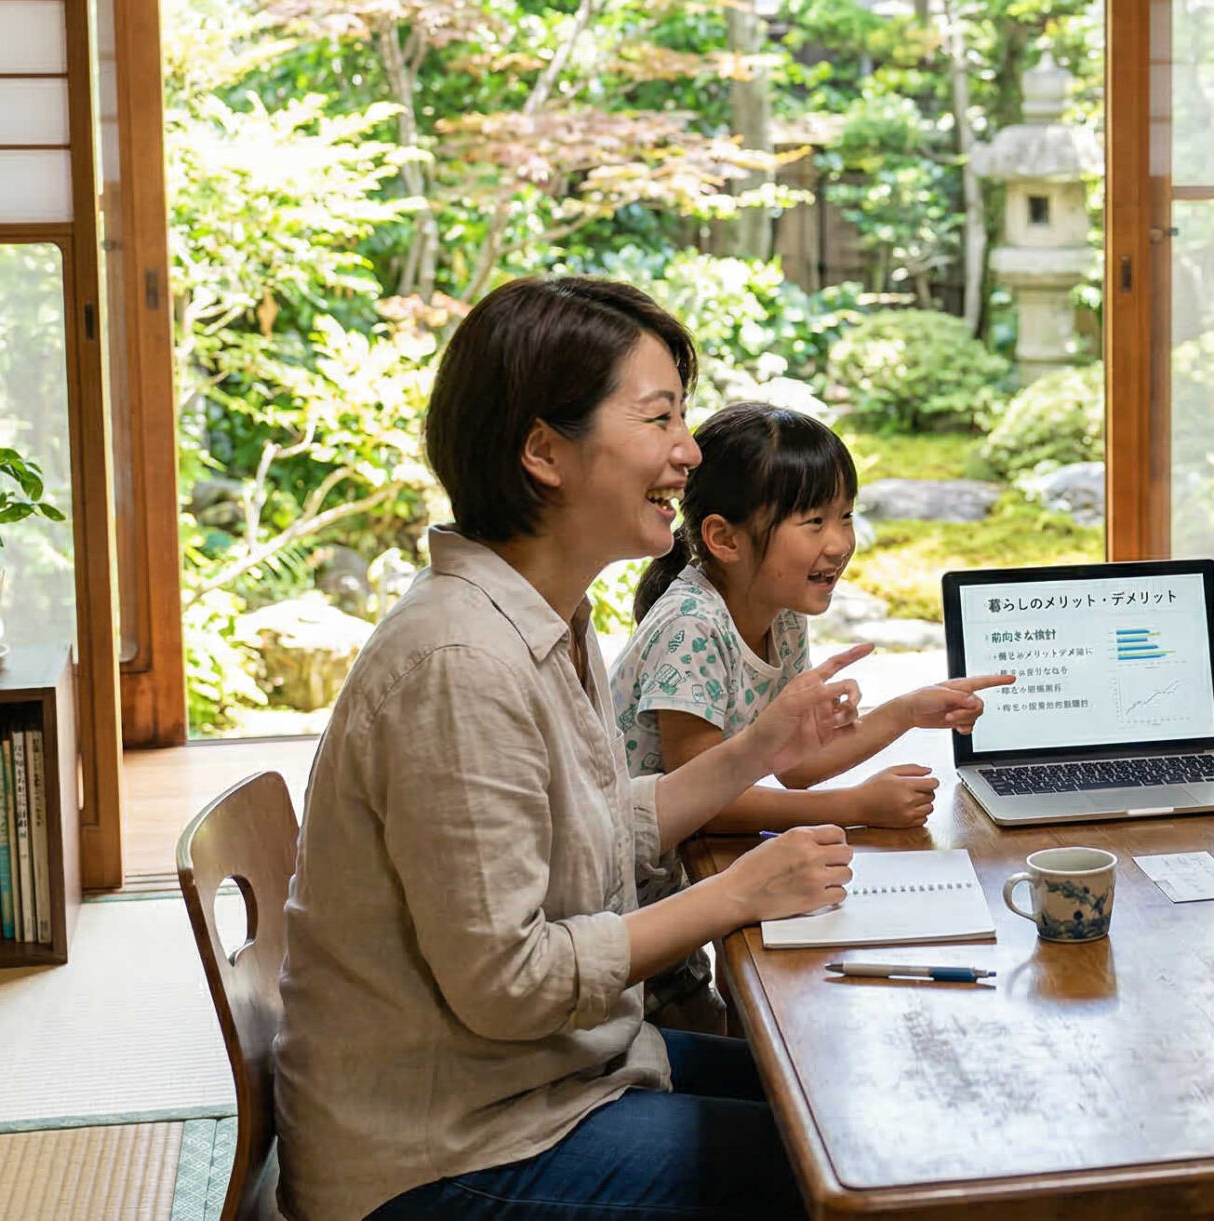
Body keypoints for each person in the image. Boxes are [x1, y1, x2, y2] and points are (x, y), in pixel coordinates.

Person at [275, 275, 862, 1221]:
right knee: (839, 1171)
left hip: (547, 1078)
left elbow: (598, 819)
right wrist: (736, 894)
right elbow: (511, 982)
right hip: (444, 1150)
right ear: (544, 451)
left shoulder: (544, 615)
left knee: (836, 1093)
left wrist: (759, 744)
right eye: (660, 417)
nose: (689, 450)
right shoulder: (460, 662)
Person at [609, 400, 1012, 1030]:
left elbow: (795, 763)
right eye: (814, 520)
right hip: (628, 918)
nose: (841, 542)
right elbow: (700, 798)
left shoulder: (782, 610)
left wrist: (908, 710)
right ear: (723, 538)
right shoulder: (692, 625)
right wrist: (853, 806)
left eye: (846, 515)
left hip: (676, 902)